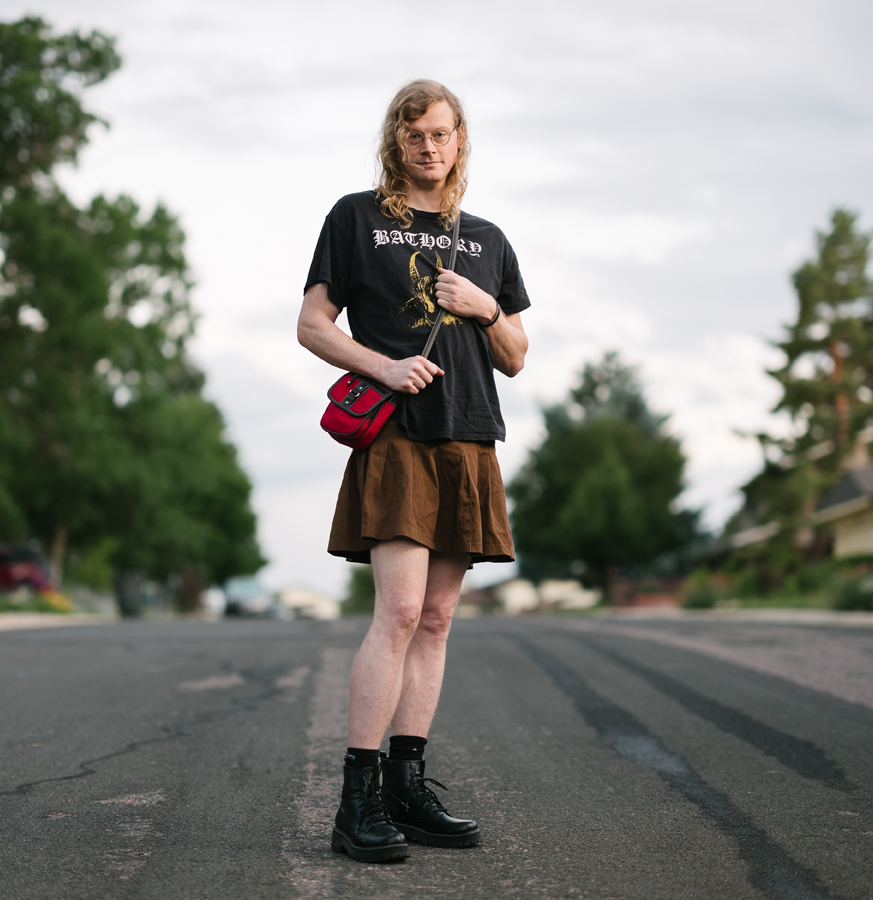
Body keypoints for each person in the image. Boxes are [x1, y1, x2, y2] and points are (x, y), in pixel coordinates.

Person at [297, 79, 530, 863]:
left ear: (461, 140)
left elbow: (518, 357)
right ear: (395, 143)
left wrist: (483, 308)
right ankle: (355, 802)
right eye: (414, 136)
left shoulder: (489, 239)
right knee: (397, 615)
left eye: (441, 134)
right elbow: (311, 325)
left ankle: (406, 787)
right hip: (397, 437)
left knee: (436, 620)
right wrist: (385, 368)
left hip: (469, 437)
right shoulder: (355, 218)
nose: (428, 148)